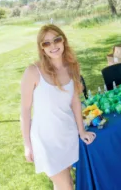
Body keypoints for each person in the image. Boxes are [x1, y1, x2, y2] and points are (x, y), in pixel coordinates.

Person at [20, 24, 96, 189]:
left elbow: (75, 101)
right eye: (46, 43)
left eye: (56, 40)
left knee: (65, 181)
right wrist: (27, 145)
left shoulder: (72, 67)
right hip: (46, 140)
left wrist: (81, 130)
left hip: (67, 135)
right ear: (41, 48)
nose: (53, 46)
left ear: (63, 40)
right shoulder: (33, 71)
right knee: (67, 185)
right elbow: (25, 110)